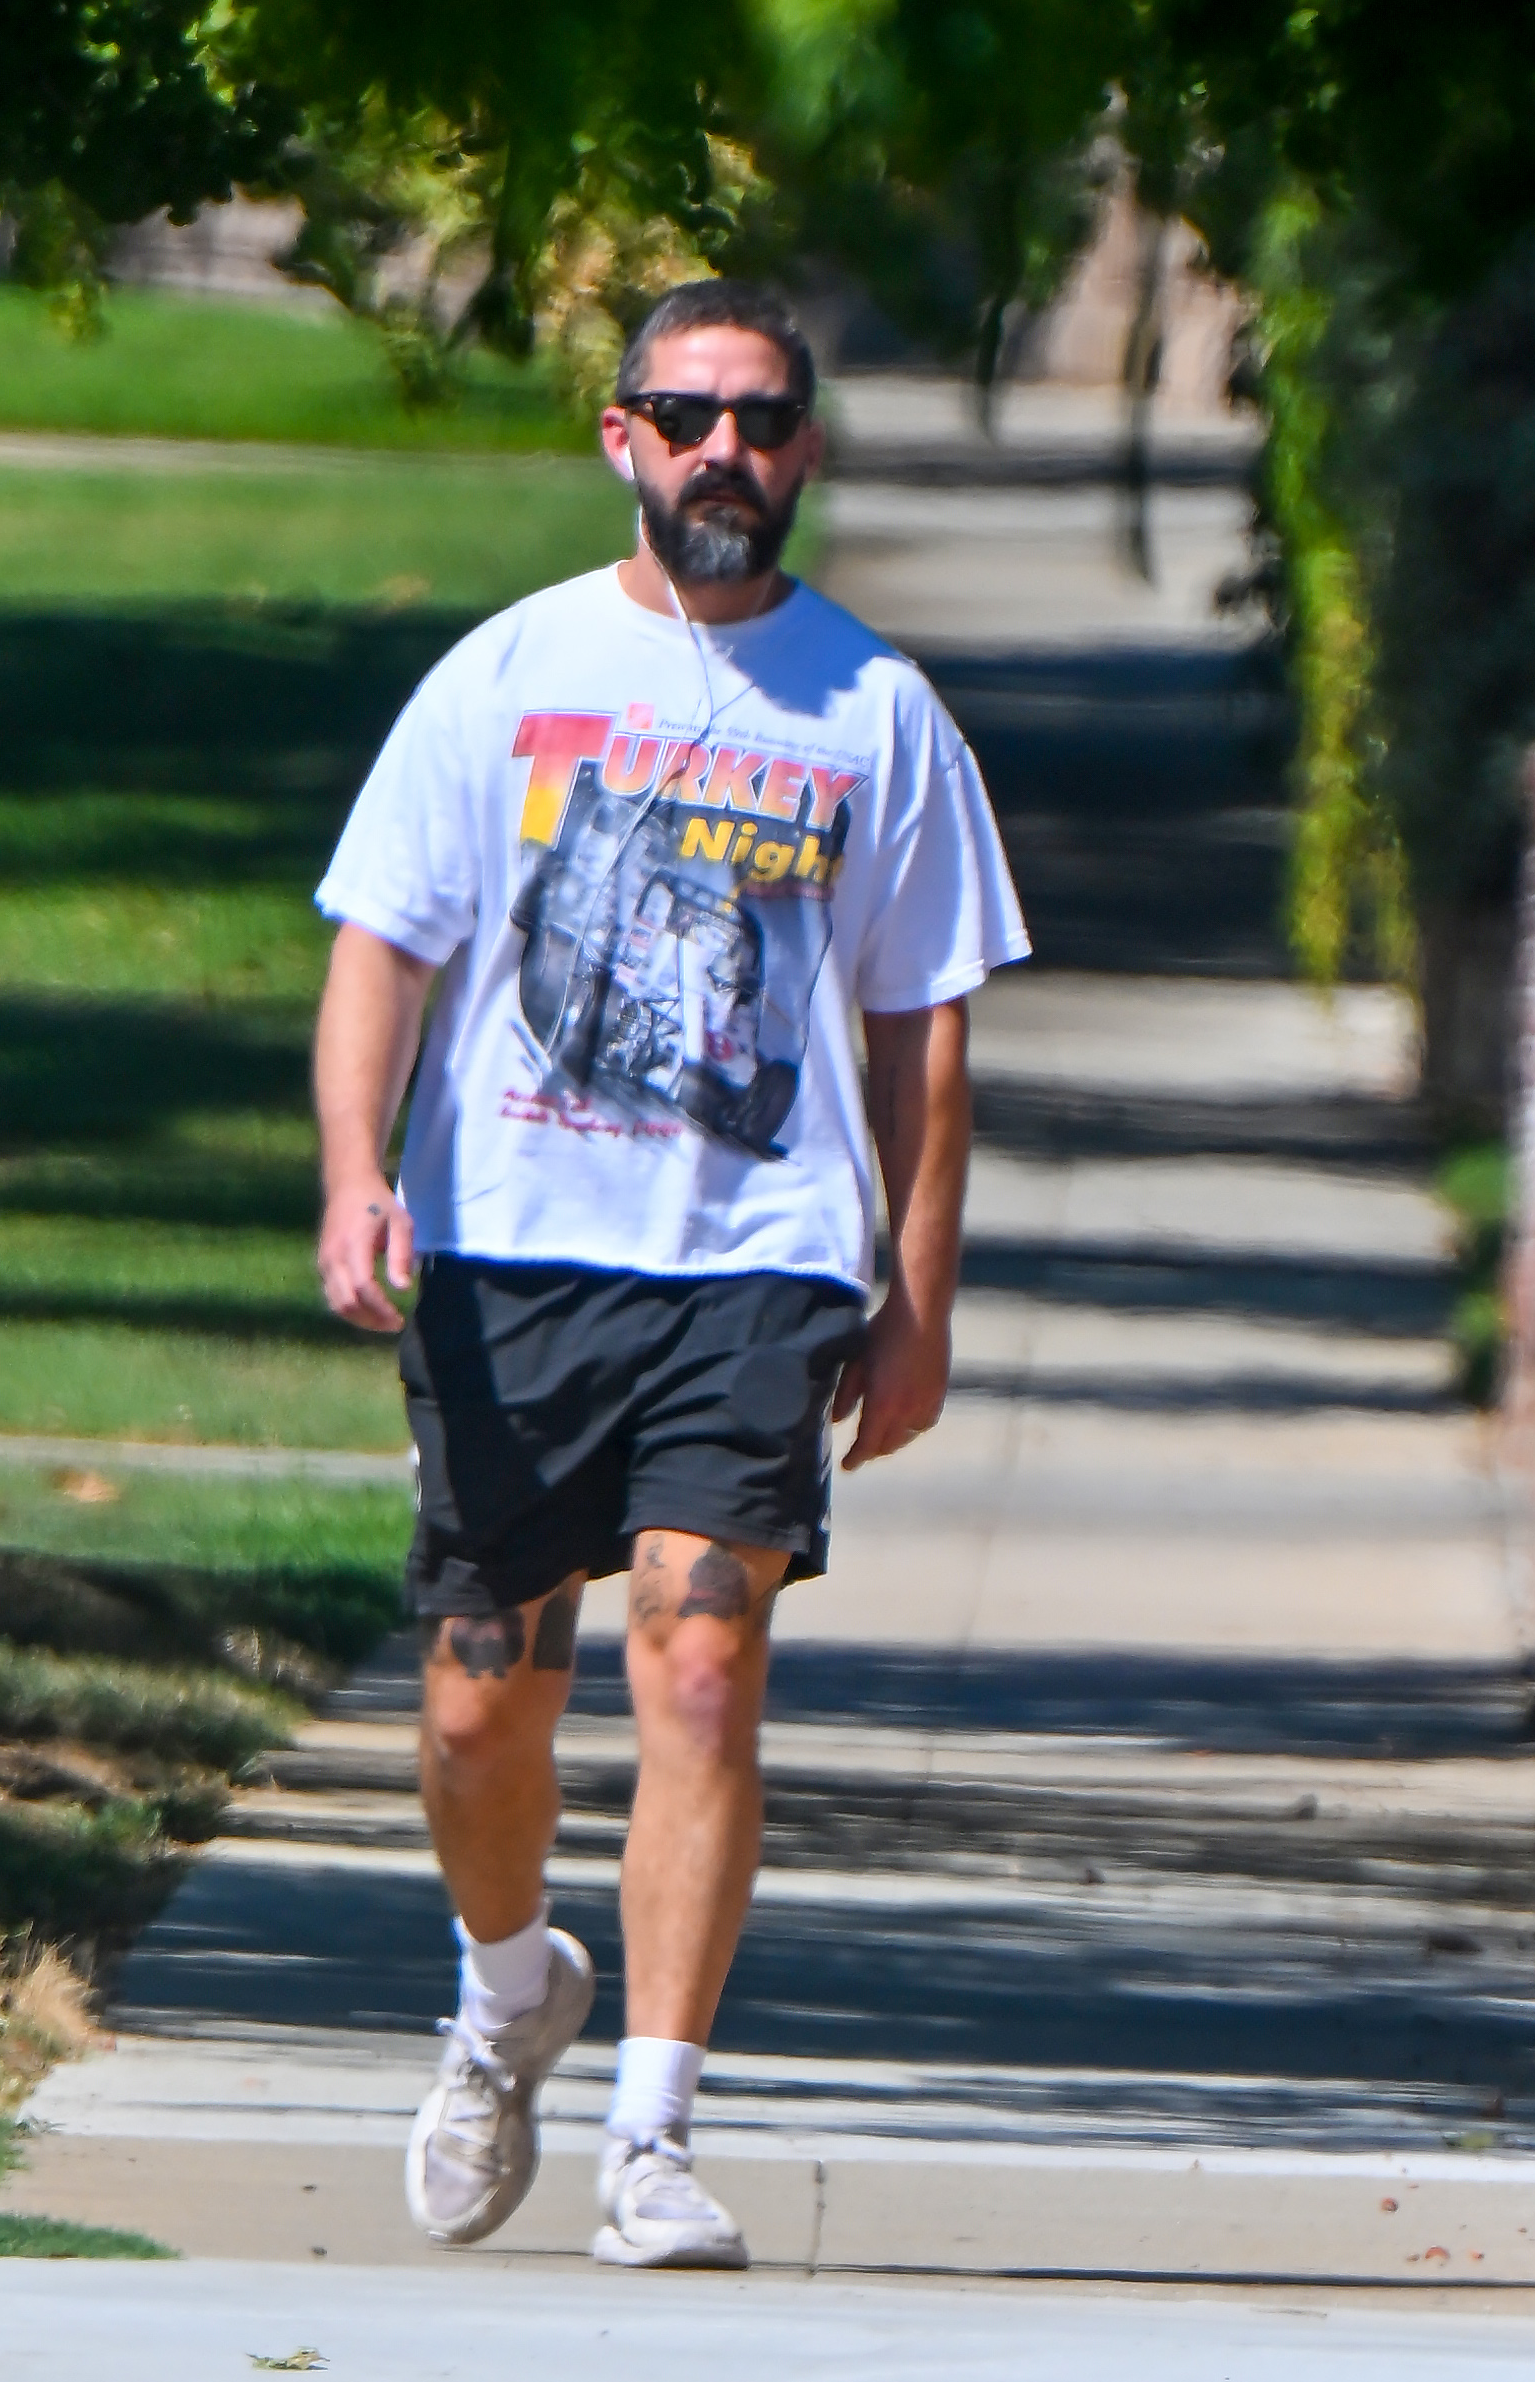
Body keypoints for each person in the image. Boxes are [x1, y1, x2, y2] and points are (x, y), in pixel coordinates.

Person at [310, 277, 1027, 2270]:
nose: (730, 452)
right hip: (512, 1255)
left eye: (766, 421)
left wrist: (919, 1297)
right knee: (479, 1699)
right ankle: (504, 1987)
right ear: (617, 434)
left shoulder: (876, 714)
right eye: (688, 415)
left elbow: (923, 1031)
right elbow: (384, 941)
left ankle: (654, 2128)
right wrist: (353, 1179)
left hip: (756, 1264)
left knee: (700, 1656)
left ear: (806, 452)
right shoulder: (508, 675)